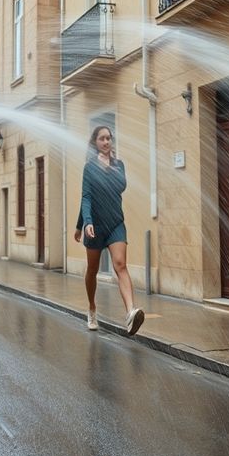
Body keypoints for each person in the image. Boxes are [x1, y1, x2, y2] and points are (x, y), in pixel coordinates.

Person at [75, 126, 144, 336]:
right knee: (92, 271)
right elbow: (86, 198)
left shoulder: (118, 165)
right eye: (102, 139)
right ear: (95, 142)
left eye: (109, 138)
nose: (106, 142)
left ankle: (131, 312)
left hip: (115, 224)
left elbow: (121, 185)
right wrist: (84, 224)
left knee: (120, 265)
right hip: (94, 226)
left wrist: (112, 166)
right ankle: (92, 308)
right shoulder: (89, 168)